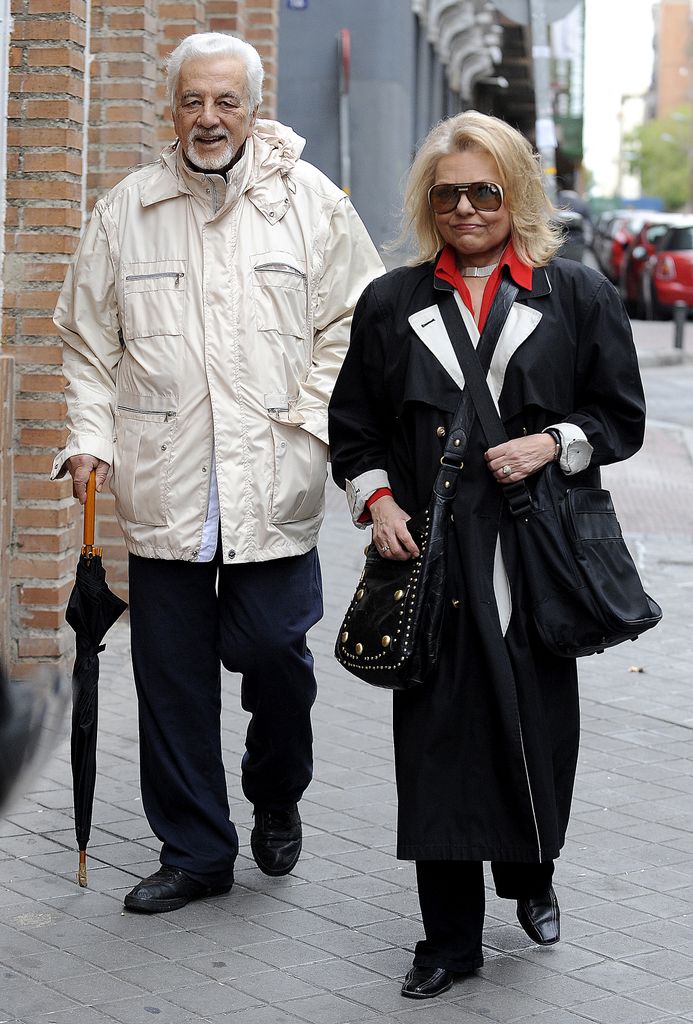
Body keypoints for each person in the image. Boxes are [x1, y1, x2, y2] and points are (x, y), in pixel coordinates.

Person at [51, 31, 383, 914]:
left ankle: (275, 789)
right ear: (172, 107)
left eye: (225, 101)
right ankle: (196, 851)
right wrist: (90, 438)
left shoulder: (310, 203)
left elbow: (357, 326)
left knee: (276, 653)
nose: (208, 118)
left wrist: (312, 429)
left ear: (253, 105)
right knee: (171, 680)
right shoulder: (127, 208)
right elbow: (88, 345)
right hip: (163, 484)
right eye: (192, 101)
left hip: (274, 480)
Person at [328, 110, 645, 999]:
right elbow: (351, 431)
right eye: (448, 193)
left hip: (536, 555)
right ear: (430, 202)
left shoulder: (576, 294)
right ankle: (447, 942)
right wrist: (378, 500)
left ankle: (532, 867)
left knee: (536, 727)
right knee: (433, 740)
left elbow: (617, 421)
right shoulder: (392, 302)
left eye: (484, 191)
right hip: (429, 558)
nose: (466, 207)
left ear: (516, 194)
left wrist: (551, 443)